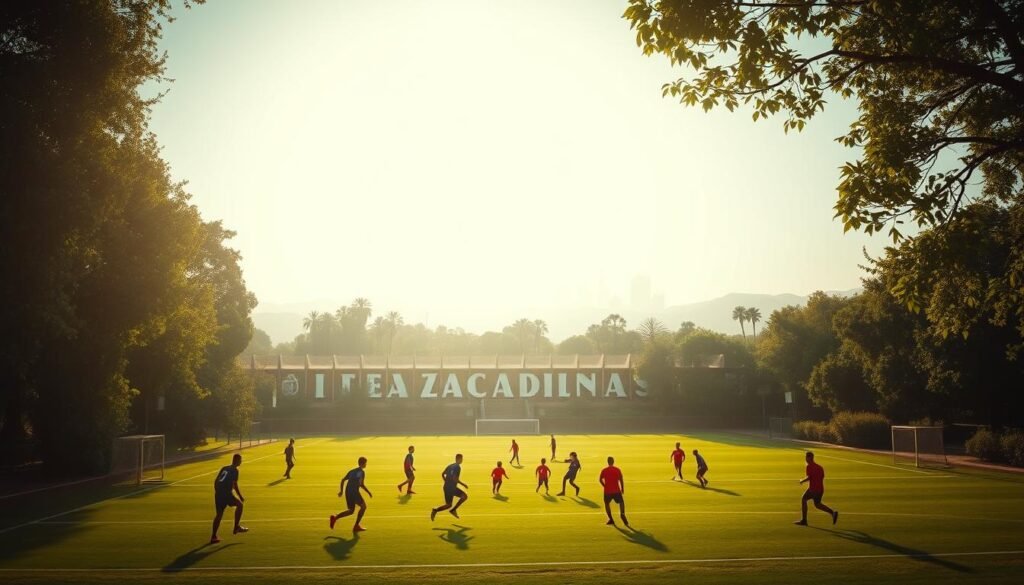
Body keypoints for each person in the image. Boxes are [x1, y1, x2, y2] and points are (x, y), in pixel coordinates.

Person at [210, 453, 247, 544]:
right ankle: (236, 527)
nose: (241, 462)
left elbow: (216, 481)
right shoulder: (235, 471)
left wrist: (217, 491)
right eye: (240, 460)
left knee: (219, 515)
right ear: (237, 461)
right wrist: (240, 496)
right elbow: (235, 485)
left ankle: (213, 536)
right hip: (226, 494)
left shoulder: (224, 468)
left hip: (219, 494)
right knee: (240, 505)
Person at [795, 451, 838, 526]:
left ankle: (804, 520)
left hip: (813, 489)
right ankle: (832, 513)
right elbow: (822, 477)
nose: (805, 459)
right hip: (820, 489)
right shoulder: (820, 467)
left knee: (803, 499)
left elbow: (809, 477)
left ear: (809, 458)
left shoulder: (809, 467)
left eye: (806, 457)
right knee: (817, 504)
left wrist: (802, 480)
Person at [331, 457, 373, 532]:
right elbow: (361, 484)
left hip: (348, 492)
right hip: (354, 492)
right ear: (362, 464)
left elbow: (343, 480)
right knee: (363, 507)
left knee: (351, 511)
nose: (366, 465)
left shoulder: (352, 471)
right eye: (365, 463)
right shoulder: (361, 472)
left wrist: (341, 491)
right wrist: (368, 492)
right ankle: (356, 526)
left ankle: (335, 517)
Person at [431, 453, 469, 520]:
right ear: (459, 459)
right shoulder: (457, 467)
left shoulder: (450, 465)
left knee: (448, 504)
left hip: (447, 487)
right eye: (462, 459)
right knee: (464, 496)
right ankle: (452, 510)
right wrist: (463, 484)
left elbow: (443, 474)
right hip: (451, 488)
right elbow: (455, 478)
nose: (462, 460)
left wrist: (446, 481)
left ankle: (435, 510)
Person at [599, 456, 628, 527]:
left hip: (607, 491)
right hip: (616, 490)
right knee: (621, 502)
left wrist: (604, 486)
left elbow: (600, 479)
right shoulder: (617, 470)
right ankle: (622, 513)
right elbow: (621, 479)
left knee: (607, 504)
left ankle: (611, 519)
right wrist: (622, 488)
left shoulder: (604, 470)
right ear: (613, 461)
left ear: (607, 462)